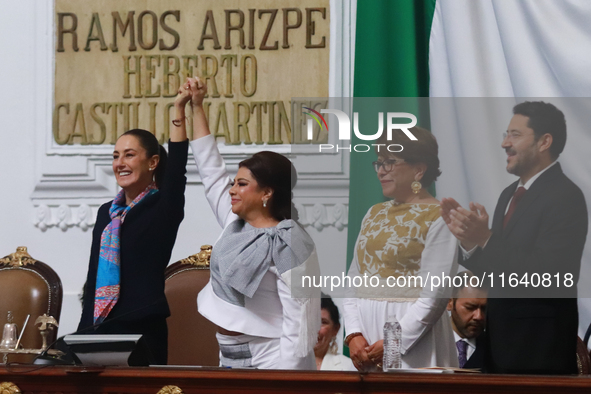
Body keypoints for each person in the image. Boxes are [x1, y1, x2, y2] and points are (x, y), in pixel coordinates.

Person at [441, 101, 587, 374]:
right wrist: (472, 244)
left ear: (544, 142)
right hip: (498, 348)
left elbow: (548, 274)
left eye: (515, 135)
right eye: (505, 134)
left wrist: (486, 238)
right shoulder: (509, 195)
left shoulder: (566, 196)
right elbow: (500, 274)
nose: (505, 143)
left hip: (539, 351)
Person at [186, 77, 320, 369]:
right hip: (228, 354)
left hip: (273, 356)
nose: (232, 190)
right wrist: (197, 106)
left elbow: (298, 321)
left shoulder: (290, 241)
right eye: (233, 183)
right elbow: (209, 169)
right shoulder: (234, 225)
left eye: (242, 184)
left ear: (266, 192)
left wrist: (287, 381)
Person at [77, 84, 191, 365]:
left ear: (152, 162)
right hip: (98, 327)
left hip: (142, 329)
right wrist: (81, 334)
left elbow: (176, 167)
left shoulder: (164, 206)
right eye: (116, 156)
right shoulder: (107, 213)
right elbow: (93, 277)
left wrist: (179, 110)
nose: (120, 163)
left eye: (129, 154)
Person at [343, 127, 459, 371]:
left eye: (390, 162)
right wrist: (353, 334)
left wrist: (395, 340)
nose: (381, 170)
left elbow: (435, 294)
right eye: (379, 162)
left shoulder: (441, 217)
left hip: (413, 339)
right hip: (367, 339)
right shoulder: (373, 213)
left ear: (419, 169)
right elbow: (353, 279)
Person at [447, 271, 487, 369]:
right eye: (470, 307)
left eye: (484, 308)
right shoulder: (431, 342)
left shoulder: (496, 348)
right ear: (449, 303)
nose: (479, 316)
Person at [315, 294, 355, 371]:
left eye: (323, 322)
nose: (316, 329)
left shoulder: (348, 367)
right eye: (310, 322)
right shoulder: (286, 363)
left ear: (335, 329)